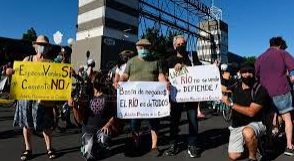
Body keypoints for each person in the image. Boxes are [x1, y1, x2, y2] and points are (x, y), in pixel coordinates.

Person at [7, 35, 57, 160]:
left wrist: (68, 74)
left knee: (46, 126)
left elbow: (57, 80)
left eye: (45, 46)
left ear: (48, 48)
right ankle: (28, 149)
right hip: (26, 99)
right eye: (40, 45)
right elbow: (17, 75)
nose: (42, 48)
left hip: (43, 100)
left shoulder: (51, 63)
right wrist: (10, 72)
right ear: (35, 46)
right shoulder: (27, 60)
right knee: (27, 125)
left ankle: (49, 148)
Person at [120, 38, 167, 156]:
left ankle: (154, 146)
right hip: (136, 98)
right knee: (135, 122)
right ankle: (136, 144)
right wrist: (120, 81)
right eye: (141, 48)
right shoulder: (131, 61)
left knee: (154, 122)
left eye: (146, 48)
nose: (144, 50)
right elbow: (125, 75)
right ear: (137, 48)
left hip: (152, 98)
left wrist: (165, 82)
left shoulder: (156, 61)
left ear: (149, 48)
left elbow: (160, 75)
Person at [255, 36, 294, 156]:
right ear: (280, 45)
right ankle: (289, 146)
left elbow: (256, 75)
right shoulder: (283, 53)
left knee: (269, 118)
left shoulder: (260, 57)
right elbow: (292, 72)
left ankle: (269, 143)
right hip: (281, 90)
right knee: (287, 118)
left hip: (265, 93)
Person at [222, 63, 269, 161]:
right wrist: (224, 79)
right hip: (237, 125)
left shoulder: (259, 89)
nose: (247, 74)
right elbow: (224, 89)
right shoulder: (236, 85)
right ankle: (251, 145)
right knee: (233, 156)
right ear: (240, 73)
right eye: (244, 72)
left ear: (254, 73)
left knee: (247, 132)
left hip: (256, 122)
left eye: (250, 72)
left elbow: (251, 112)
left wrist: (231, 104)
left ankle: (252, 157)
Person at [164, 35, 200, 158]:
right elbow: (166, 76)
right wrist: (171, 75)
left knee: (193, 120)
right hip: (176, 96)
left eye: (183, 43)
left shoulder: (192, 56)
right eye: (178, 44)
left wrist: (187, 68)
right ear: (174, 46)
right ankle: (173, 144)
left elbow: (200, 70)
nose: (181, 45)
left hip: (191, 95)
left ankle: (193, 145)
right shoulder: (169, 60)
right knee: (174, 121)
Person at [79, 72, 116, 160]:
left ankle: (99, 147)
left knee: (104, 138)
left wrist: (107, 125)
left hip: (100, 129)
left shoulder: (107, 97)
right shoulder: (87, 96)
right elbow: (79, 119)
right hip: (88, 129)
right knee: (89, 157)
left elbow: (114, 115)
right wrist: (75, 107)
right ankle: (88, 145)